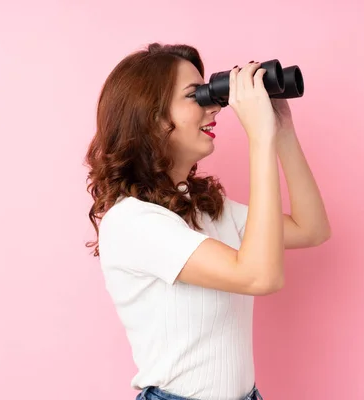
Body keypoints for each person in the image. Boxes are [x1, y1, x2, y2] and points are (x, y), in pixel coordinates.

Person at [84, 42, 331, 400]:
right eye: (195, 96)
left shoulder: (204, 208)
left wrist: (281, 131)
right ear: (151, 116)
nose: (214, 106)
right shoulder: (131, 222)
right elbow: (259, 275)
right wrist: (258, 137)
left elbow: (312, 229)